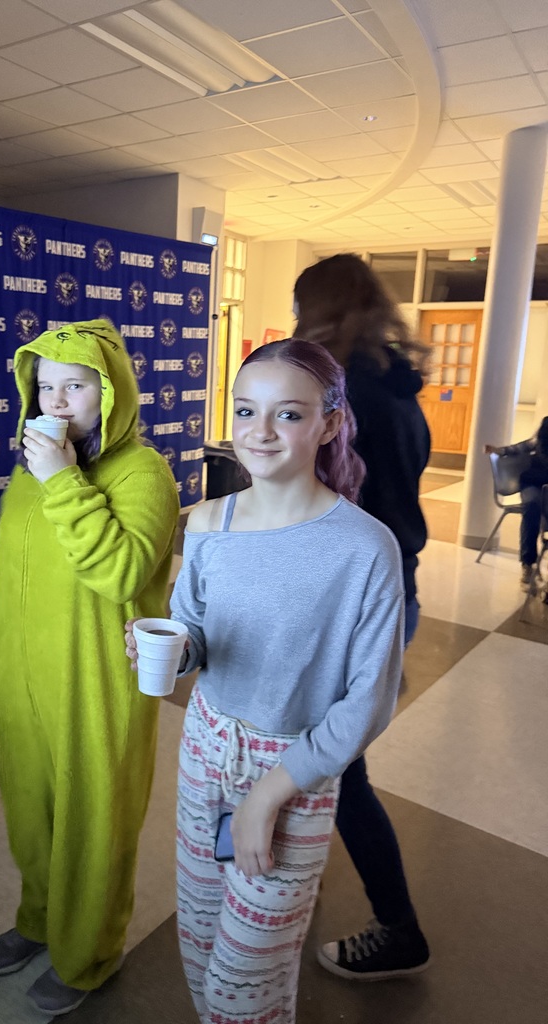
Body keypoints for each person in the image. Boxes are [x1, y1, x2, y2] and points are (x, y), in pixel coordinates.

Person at [126, 339, 405, 1024]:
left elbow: (367, 704)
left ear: (329, 424)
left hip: (292, 775)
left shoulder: (364, 548)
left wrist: (269, 795)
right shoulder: (210, 522)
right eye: (246, 410)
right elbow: (193, 633)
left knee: (241, 982)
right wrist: (168, 650)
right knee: (199, 950)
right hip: (204, 754)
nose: (260, 430)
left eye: (288, 414)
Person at [0, 319, 180, 1016]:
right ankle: (39, 922)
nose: (56, 402)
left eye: (77, 386)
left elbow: (121, 572)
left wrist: (62, 479)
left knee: (94, 828)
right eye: (46, 386)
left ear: (111, 391)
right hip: (23, 680)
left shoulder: (143, 472)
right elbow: (13, 574)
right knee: (34, 818)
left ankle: (87, 954)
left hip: (96, 687)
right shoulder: (34, 468)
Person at [294, 252, 431, 980]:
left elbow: (319, 513)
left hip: (352, 610)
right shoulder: (398, 385)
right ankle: (295, 875)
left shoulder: (348, 398)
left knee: (341, 772)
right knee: (327, 762)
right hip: (393, 595)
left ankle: (399, 927)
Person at [484, 416, 548, 590]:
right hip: (533, 483)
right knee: (532, 506)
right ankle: (528, 564)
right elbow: (520, 448)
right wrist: (498, 450)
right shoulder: (543, 433)